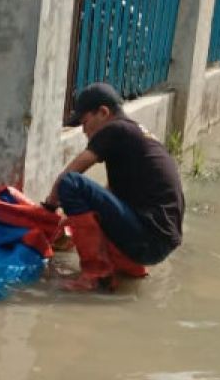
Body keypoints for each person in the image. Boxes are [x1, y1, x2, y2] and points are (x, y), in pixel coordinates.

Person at [42, 83, 184, 291]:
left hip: (148, 236)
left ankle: (97, 275)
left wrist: (48, 210)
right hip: (159, 242)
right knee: (90, 203)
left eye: (85, 122)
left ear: (103, 112)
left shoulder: (114, 129)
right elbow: (110, 196)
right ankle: (129, 268)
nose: (84, 131)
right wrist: (68, 221)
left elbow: (70, 174)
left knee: (71, 184)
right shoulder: (134, 133)